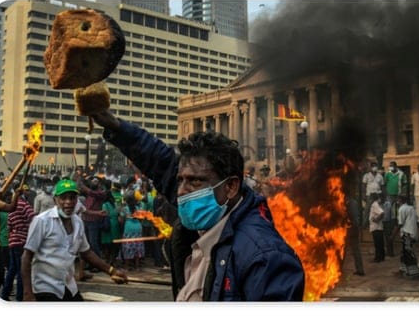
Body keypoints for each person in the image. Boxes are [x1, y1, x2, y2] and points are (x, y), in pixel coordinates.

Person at [88, 109, 305, 301]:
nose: (181, 190)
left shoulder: (264, 257)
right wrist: (116, 127)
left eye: (194, 181)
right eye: (181, 179)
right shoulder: (211, 211)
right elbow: (160, 162)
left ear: (230, 187)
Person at [21, 178, 129, 301]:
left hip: (68, 285)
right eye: (63, 198)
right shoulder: (42, 221)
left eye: (72, 197)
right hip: (45, 287)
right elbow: (26, 257)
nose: (68, 202)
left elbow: (86, 252)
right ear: (55, 200)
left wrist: (111, 271)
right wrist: (27, 293)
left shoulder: (78, 222)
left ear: (77, 200)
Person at [396, 195, 419, 279]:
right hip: (412, 232)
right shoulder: (411, 208)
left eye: (398, 200)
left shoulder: (402, 209)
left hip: (407, 233)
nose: (397, 201)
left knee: (408, 253)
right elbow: (417, 220)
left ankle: (414, 273)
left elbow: (400, 223)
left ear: (401, 200)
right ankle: (403, 270)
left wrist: (392, 235)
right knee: (404, 252)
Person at [368, 193, 385, 263]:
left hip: (376, 227)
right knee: (380, 243)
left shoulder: (374, 205)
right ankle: (381, 257)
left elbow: (382, 213)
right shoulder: (376, 204)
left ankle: (378, 258)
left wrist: (377, 219)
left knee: (377, 244)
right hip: (377, 227)